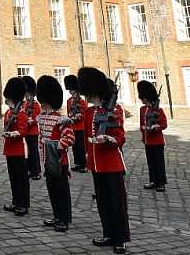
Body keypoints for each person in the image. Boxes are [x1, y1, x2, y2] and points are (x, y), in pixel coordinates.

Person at [79, 67, 129, 254]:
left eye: (89, 95)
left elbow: (120, 136)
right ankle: (108, 233)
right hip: (97, 164)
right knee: (103, 202)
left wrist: (109, 139)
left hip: (112, 162)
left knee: (117, 203)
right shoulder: (89, 113)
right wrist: (87, 156)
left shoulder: (114, 110)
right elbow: (86, 137)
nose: (88, 98)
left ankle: (120, 239)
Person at [36, 75, 75, 233]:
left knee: (61, 191)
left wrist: (57, 146)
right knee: (52, 190)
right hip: (47, 160)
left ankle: (64, 219)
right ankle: (56, 216)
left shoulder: (61, 120)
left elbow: (70, 138)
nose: (42, 105)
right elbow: (41, 138)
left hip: (60, 161)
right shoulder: (43, 118)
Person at [1, 76, 29, 216]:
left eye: (9, 99)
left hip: (19, 149)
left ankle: (23, 204)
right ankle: (15, 201)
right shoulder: (8, 113)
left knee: (21, 178)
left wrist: (14, 134)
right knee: (13, 178)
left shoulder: (22, 113)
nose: (8, 102)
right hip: (10, 149)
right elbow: (6, 126)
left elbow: (24, 130)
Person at [136, 80, 167, 191]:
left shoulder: (158, 110)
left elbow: (164, 124)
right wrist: (143, 136)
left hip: (157, 141)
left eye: (143, 97)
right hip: (148, 141)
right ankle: (153, 180)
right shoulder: (142, 109)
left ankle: (161, 183)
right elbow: (141, 124)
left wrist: (156, 127)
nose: (142, 99)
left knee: (159, 162)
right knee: (151, 162)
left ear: (147, 97)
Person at [64, 75, 88, 173]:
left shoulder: (81, 101)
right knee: (74, 147)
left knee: (81, 147)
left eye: (72, 90)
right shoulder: (69, 101)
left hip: (81, 127)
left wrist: (79, 116)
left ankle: (83, 165)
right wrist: (70, 118)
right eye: (70, 90)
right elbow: (68, 113)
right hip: (73, 126)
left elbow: (85, 113)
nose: (71, 92)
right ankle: (77, 163)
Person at [21, 75, 42, 180]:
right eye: (26, 94)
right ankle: (30, 169)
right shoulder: (24, 104)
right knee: (28, 152)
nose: (27, 96)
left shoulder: (36, 104)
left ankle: (36, 171)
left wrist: (30, 121)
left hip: (32, 132)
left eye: (29, 94)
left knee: (34, 152)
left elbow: (36, 118)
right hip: (26, 131)